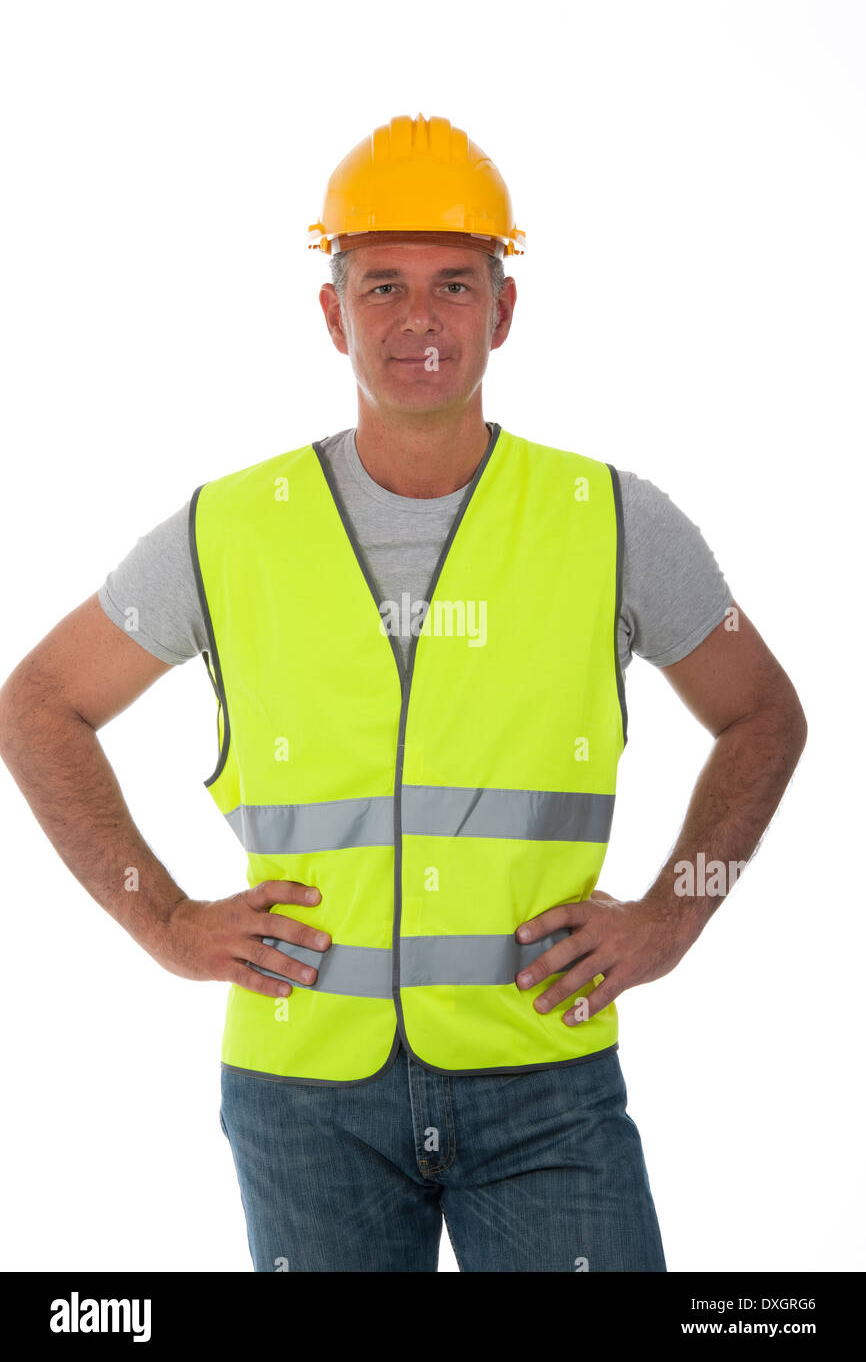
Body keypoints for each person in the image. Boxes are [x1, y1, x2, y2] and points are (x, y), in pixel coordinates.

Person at [0, 113, 807, 1273]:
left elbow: (763, 715)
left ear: (503, 308)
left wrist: (675, 912)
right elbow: (36, 705)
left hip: (541, 1077)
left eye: (453, 284)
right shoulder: (226, 531)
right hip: (302, 1098)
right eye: (381, 285)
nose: (418, 319)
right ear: (332, 312)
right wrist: (163, 918)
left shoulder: (614, 521)